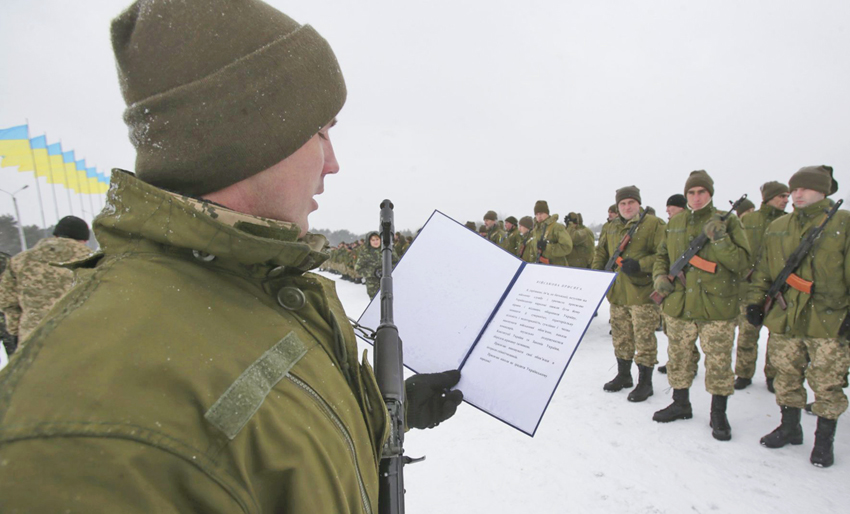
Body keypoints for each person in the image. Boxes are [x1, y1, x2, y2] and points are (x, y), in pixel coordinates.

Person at [0, 1, 463, 511]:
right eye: (321, 131)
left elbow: (265, 450)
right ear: (252, 137)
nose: (333, 163)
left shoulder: (257, 285)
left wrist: (382, 413)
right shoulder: (90, 422)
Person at [747, 165, 848, 468]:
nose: (797, 194)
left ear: (823, 191)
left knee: (827, 382)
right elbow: (764, 270)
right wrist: (755, 302)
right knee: (786, 374)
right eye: (794, 189)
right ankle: (790, 427)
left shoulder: (842, 223)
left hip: (828, 319)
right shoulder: (779, 226)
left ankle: (824, 441)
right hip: (785, 316)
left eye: (804, 188)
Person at [652, 170, 750, 441]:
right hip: (680, 305)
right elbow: (662, 254)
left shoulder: (726, 223)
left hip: (716, 306)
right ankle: (680, 403)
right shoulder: (676, 222)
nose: (696, 198)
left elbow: (742, 263)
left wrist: (720, 240)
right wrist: (660, 276)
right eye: (691, 193)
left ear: (710, 194)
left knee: (718, 362)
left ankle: (718, 413)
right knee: (679, 357)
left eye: (701, 192)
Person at [592, 186, 665, 401]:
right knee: (621, 336)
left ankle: (645, 382)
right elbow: (601, 252)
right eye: (622, 204)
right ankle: (624, 375)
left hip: (641, 292)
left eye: (631, 202)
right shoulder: (611, 227)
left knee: (644, 338)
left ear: (639, 203)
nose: (626, 207)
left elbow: (663, 255)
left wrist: (641, 264)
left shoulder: (653, 224)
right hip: (618, 292)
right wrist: (597, 275)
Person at [0, 216, 92, 350]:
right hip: (82, 339)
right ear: (84, 240)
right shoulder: (96, 261)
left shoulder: (20, 261)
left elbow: (7, 301)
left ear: (55, 235)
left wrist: (17, 330)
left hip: (33, 340)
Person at [733, 181, 789, 391]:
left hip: (780, 290)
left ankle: (772, 376)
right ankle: (743, 373)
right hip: (750, 287)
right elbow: (737, 250)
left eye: (787, 196)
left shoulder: (788, 222)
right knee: (747, 333)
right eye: (781, 196)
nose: (785, 200)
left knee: (776, 337)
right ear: (769, 197)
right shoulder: (749, 220)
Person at [658, 193, 695, 375]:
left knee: (686, 333)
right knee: (673, 332)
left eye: (670, 208)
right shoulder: (670, 228)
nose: (667, 211)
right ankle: (676, 360)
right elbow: (661, 256)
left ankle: (689, 363)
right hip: (672, 289)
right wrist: (661, 277)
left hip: (690, 291)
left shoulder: (691, 226)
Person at [532, 200, 573, 266]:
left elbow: (567, 247)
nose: (539, 216)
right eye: (537, 214)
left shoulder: (557, 227)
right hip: (540, 267)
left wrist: (547, 247)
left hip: (557, 268)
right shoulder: (536, 230)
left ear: (547, 213)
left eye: (541, 213)